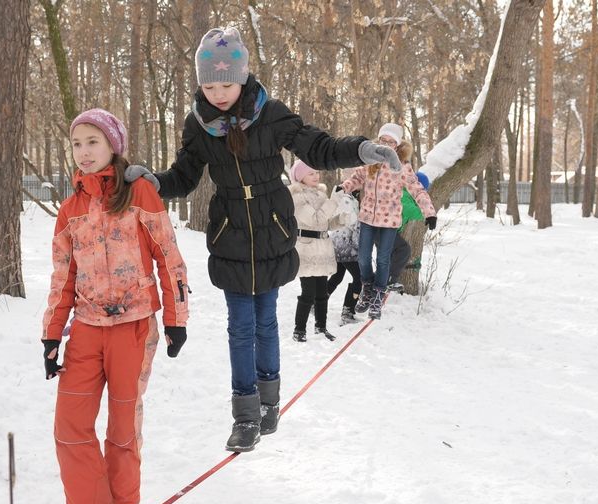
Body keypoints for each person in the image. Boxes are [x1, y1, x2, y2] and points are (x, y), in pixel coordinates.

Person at [124, 27, 401, 452]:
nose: (218, 93)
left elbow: (319, 148)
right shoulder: (198, 125)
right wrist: (153, 182)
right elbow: (183, 177)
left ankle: (270, 402)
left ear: (243, 76)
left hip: (271, 225)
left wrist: (361, 149)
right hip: (230, 228)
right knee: (240, 326)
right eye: (209, 85)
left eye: (227, 83)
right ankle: (245, 415)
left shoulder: (270, 113)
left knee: (266, 321)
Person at [41, 108, 189, 504]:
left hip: (134, 327)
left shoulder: (139, 193)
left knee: (123, 424)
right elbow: (62, 277)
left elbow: (169, 258)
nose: (84, 152)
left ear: (113, 146)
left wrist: (176, 318)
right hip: (85, 330)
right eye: (77, 143)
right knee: (70, 425)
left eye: (94, 142)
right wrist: (52, 336)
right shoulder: (70, 209)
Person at [340, 123, 437, 320]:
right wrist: (344, 188)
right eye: (383, 140)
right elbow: (356, 178)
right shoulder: (370, 161)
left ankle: (378, 294)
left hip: (389, 221)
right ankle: (367, 287)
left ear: (397, 144)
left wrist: (430, 213)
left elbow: (416, 189)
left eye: (390, 141)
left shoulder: (402, 165)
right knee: (363, 258)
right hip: (367, 217)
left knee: (384, 259)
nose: (386, 144)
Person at [288, 160, 352, 342]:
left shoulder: (321, 195)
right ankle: (299, 331)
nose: (316, 176)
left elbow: (325, 223)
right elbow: (315, 219)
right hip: (307, 249)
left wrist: (342, 219)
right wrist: (334, 201)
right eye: (311, 173)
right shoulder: (296, 197)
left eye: (317, 173)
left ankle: (321, 328)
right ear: (301, 177)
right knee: (308, 293)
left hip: (323, 249)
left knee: (322, 293)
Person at [386, 140, 431, 294]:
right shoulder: (406, 199)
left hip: (388, 229)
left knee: (392, 255)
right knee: (404, 250)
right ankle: (390, 280)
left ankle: (384, 279)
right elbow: (418, 213)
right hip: (385, 229)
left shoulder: (405, 194)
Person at [327, 189, 362, 325]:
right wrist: (359, 247)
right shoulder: (349, 201)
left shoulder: (342, 198)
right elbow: (354, 225)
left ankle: (317, 301)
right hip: (347, 245)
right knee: (359, 278)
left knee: (337, 276)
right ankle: (348, 311)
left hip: (338, 244)